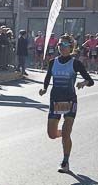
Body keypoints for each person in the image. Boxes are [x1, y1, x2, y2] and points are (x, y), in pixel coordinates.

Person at [39, 35, 94, 173]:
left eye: (65, 46)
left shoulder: (75, 63)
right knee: (51, 134)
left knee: (66, 133)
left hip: (70, 100)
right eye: (60, 46)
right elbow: (47, 77)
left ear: (71, 48)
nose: (62, 48)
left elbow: (90, 80)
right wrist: (44, 89)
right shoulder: (53, 62)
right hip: (55, 101)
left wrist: (83, 82)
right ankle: (63, 134)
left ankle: (65, 161)